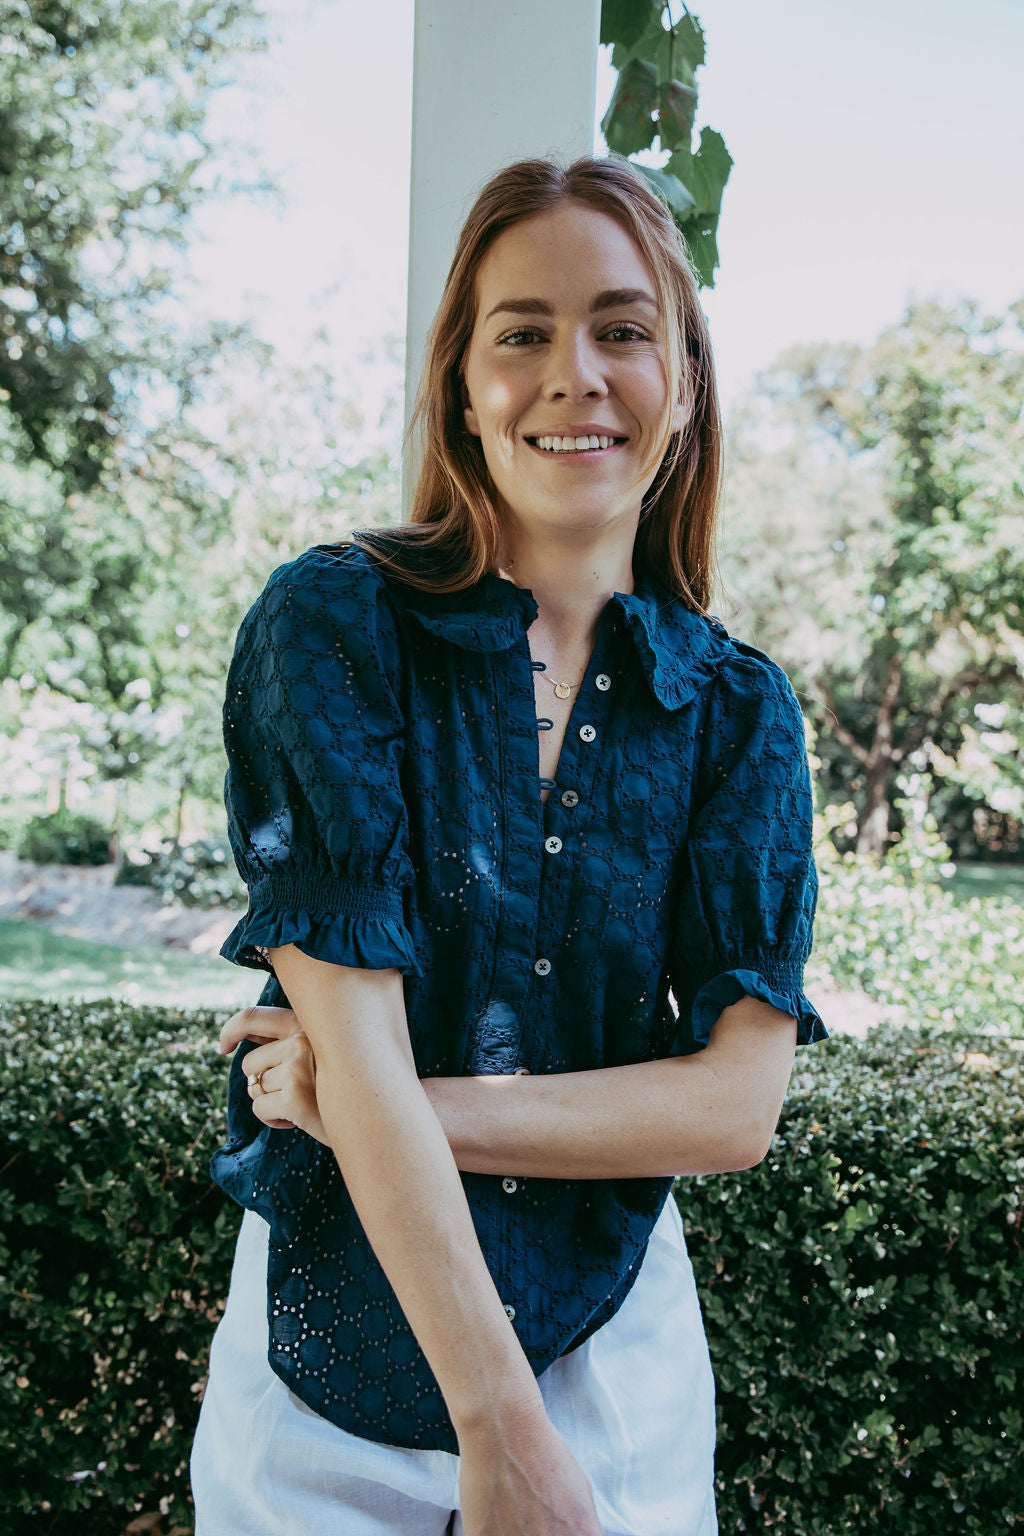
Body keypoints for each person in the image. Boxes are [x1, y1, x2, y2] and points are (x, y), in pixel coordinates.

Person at [190, 154, 826, 1536]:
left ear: (686, 379)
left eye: (622, 328)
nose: (573, 373)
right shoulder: (329, 628)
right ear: (461, 386)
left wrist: (361, 1104)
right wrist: (502, 1432)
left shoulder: (739, 715)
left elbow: (732, 1110)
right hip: (320, 1383)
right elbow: (355, 1032)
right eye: (521, 332)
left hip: (620, 1377)